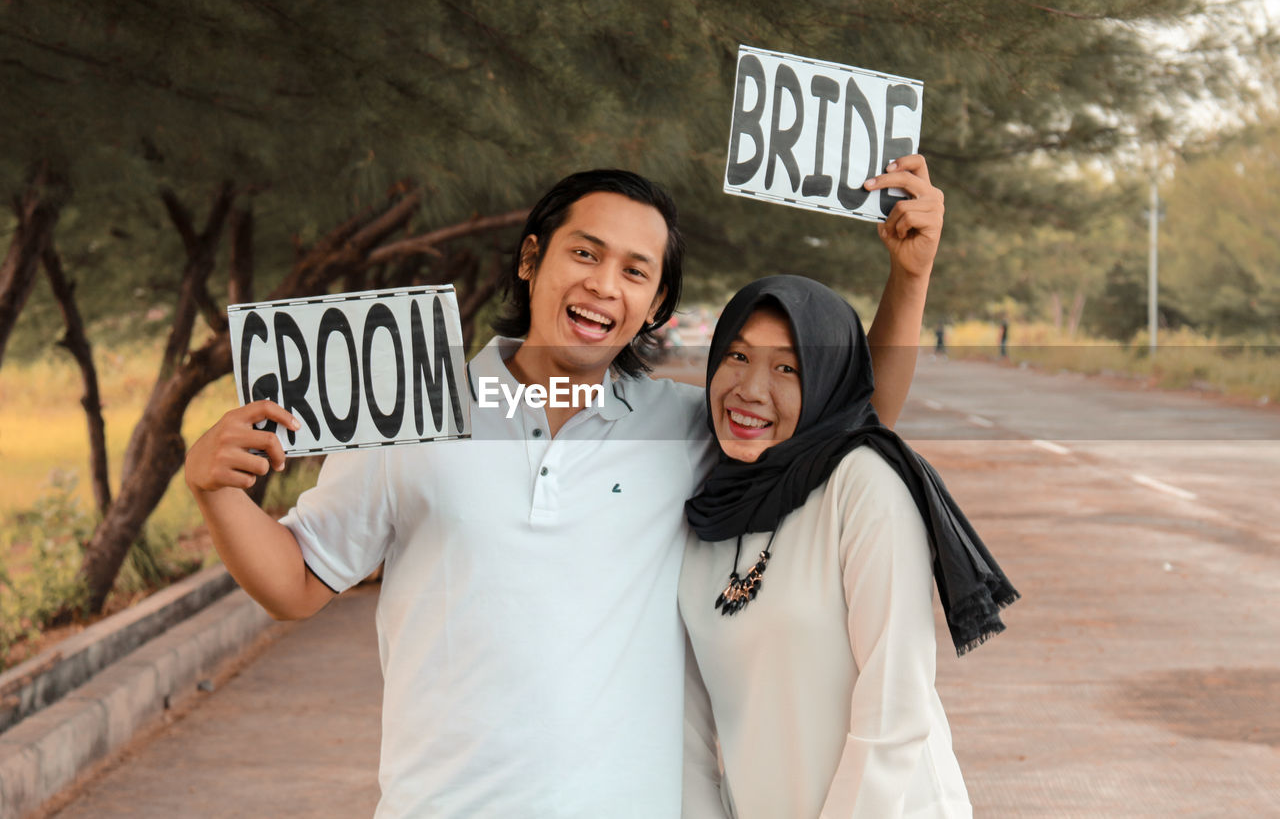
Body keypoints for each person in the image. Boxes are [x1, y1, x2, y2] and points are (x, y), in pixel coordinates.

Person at [183, 158, 943, 818]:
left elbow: (843, 418)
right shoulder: (408, 410)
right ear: (531, 260)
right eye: (585, 252)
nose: (603, 285)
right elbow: (295, 581)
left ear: (657, 308)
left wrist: (908, 280)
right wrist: (215, 490)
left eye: (635, 271)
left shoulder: (684, 428)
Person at [679, 275, 1019, 819]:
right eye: (738, 356)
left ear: (827, 384)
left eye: (787, 368)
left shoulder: (862, 485)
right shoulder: (706, 511)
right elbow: (691, 726)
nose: (750, 388)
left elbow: (896, 703)